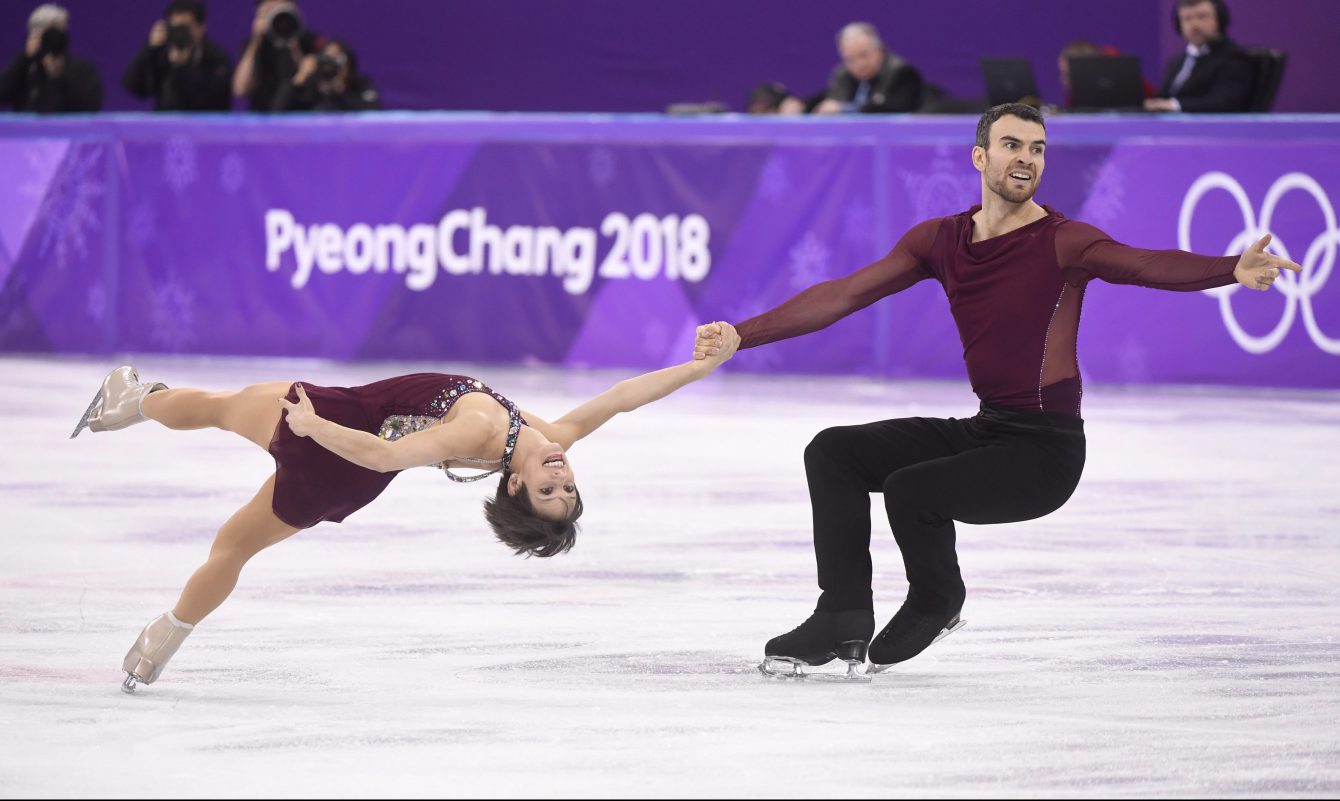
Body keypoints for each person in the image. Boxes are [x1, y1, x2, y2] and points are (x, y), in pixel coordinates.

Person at [693, 102, 1298, 680]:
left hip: (1044, 455)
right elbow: (848, 291)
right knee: (833, 452)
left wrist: (1230, 268)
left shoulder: (1065, 241)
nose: (1026, 159)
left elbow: (1145, 264)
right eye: (1012, 145)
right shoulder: (941, 239)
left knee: (911, 490)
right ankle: (841, 614)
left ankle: (939, 597)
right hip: (989, 430)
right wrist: (742, 336)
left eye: (1037, 149)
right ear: (979, 157)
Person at [71, 339, 740, 693]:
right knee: (234, 544)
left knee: (226, 405)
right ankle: (162, 639)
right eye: (567, 489)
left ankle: (131, 401)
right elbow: (621, 398)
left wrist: (311, 424)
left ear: (514, 489)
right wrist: (697, 369)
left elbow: (384, 454)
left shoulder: (481, 432)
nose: (561, 478)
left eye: (548, 491)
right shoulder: (540, 431)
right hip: (345, 480)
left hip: (338, 432)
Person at [121, 0, 233, 112]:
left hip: (204, 126)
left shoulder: (216, 58)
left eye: (185, 28)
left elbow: (211, 101)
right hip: (166, 125)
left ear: (201, 27)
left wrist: (183, 65)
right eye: (175, 28)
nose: (180, 33)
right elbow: (133, 86)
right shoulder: (162, 54)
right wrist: (149, 49)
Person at [1145, 0, 1254, 113]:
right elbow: (1163, 97)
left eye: (1202, 17)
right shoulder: (1177, 61)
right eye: (1187, 19)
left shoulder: (1234, 58)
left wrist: (1175, 105)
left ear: (1219, 20)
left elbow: (1225, 102)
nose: (1194, 25)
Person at [0, 3, 101, 113]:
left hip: (67, 128)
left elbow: (91, 107)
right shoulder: (25, 67)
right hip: (26, 128)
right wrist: (25, 58)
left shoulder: (81, 69)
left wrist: (57, 75)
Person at [813, 22, 923, 115]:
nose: (859, 64)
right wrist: (802, 106)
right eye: (851, 59)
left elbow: (891, 108)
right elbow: (827, 101)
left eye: (864, 55)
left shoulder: (901, 73)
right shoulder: (843, 76)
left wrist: (845, 109)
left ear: (879, 51)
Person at [232, 0, 319, 112]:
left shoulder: (308, 40)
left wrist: (292, 36)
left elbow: (315, 85)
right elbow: (240, 90)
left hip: (300, 116)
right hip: (262, 118)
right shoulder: (254, 44)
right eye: (270, 11)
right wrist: (256, 40)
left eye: (281, 9)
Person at [277, 38, 379, 111]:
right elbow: (278, 112)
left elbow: (372, 114)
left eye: (337, 59)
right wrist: (298, 79)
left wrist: (340, 91)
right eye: (327, 59)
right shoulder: (311, 85)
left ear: (348, 63)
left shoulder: (360, 85)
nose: (331, 66)